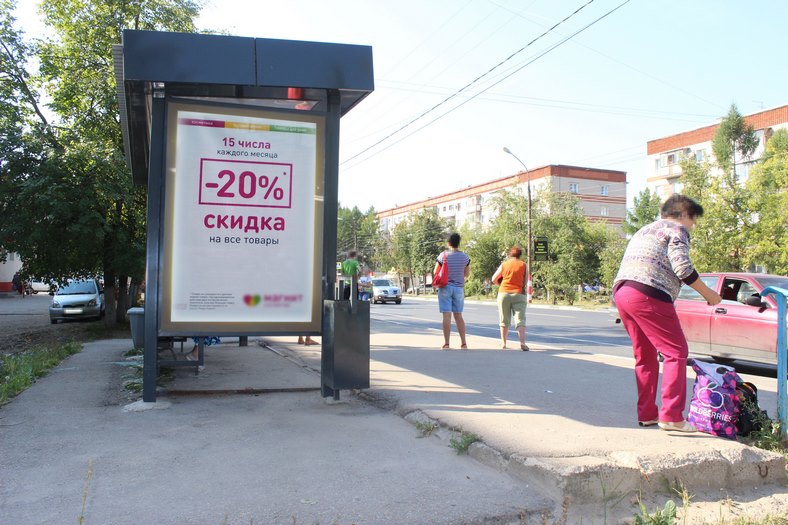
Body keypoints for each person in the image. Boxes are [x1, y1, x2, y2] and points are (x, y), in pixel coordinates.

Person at [613, 194, 721, 433]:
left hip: (623, 292)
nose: (693, 225)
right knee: (676, 352)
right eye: (693, 219)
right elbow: (683, 268)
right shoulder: (676, 229)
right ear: (684, 214)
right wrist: (709, 294)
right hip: (649, 292)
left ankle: (647, 414)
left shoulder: (644, 230)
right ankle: (672, 416)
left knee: (645, 356)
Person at [434, 232, 470, 350]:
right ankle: (463, 343)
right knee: (458, 315)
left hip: (445, 287)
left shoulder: (443, 255)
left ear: (448, 243)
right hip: (459, 288)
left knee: (447, 316)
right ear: (458, 243)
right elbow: (466, 274)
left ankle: (446, 343)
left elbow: (436, 271)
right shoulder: (465, 257)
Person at [490, 246, 529, 351]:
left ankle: (503, 343)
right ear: (520, 255)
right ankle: (522, 343)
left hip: (504, 293)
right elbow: (525, 282)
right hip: (519, 294)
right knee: (520, 319)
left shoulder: (504, 264)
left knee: (504, 319)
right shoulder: (524, 265)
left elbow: (494, 279)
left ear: (510, 254)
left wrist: (502, 284)